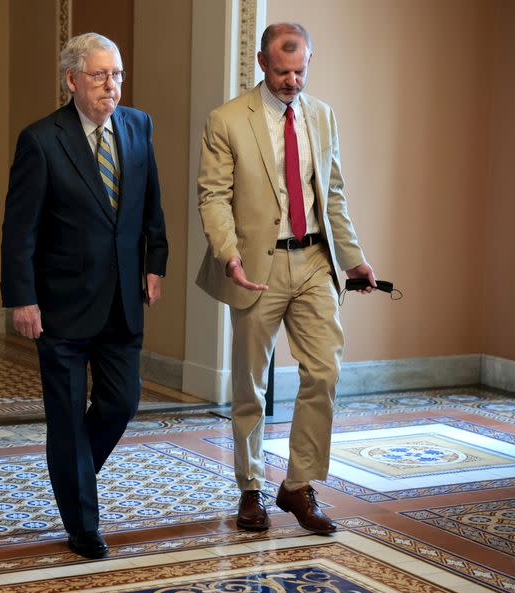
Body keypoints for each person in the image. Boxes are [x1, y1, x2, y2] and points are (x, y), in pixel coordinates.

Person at [196, 23, 376, 535]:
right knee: (251, 383)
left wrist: (354, 258)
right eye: (282, 71)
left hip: (315, 259)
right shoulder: (227, 120)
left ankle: (298, 486)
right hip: (257, 265)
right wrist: (228, 254)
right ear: (261, 62)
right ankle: (250, 488)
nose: (292, 81)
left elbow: (332, 194)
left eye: (300, 71)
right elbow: (213, 196)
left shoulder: (322, 117)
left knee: (324, 371)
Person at [1, 32, 167, 558]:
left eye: (116, 74)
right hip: (62, 304)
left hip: (123, 298)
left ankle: (70, 473)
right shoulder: (41, 139)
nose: (110, 85)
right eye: (99, 75)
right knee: (68, 415)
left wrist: (155, 264)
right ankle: (83, 525)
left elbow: (150, 206)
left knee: (122, 401)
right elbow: (19, 229)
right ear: (71, 79)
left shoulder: (138, 126)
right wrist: (21, 298)